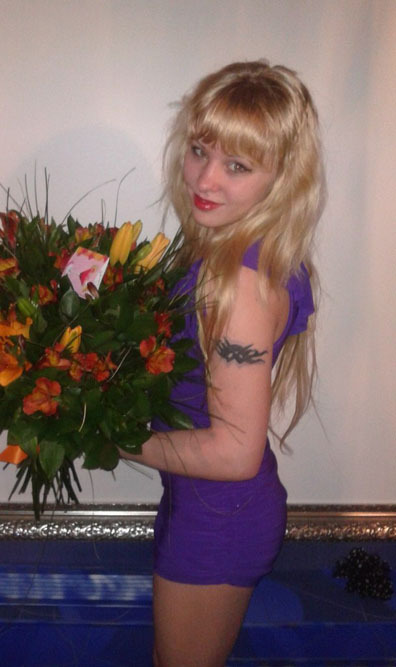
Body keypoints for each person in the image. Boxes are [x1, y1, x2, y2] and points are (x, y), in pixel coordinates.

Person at [121, 60, 325, 666]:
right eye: (199, 150)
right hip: (204, 504)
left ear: (281, 178)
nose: (205, 178)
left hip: (219, 519)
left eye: (237, 165)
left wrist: (111, 440)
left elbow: (235, 454)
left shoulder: (236, 283)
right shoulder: (231, 251)